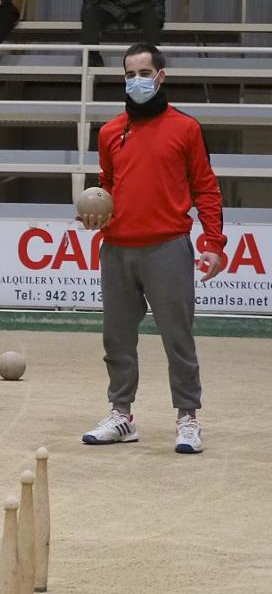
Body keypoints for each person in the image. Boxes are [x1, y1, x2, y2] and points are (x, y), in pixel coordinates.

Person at [79, 43, 225, 454]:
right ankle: (122, 415)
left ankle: (188, 418)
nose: (137, 81)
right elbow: (107, 186)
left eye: (145, 72)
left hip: (168, 247)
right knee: (117, 338)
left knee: (178, 338)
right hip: (118, 248)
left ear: (161, 75)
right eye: (129, 74)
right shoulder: (110, 132)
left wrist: (214, 243)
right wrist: (96, 214)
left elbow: (206, 189)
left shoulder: (186, 128)